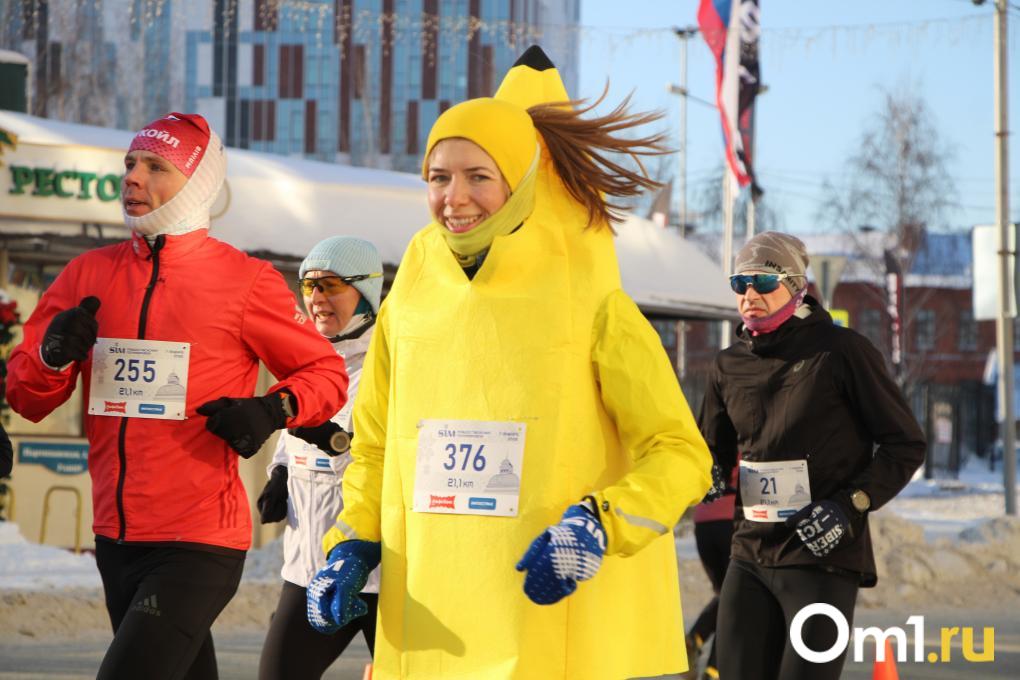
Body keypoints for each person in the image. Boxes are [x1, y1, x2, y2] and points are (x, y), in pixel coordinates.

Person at [304, 46, 714, 680]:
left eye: (478, 176)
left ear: (521, 181)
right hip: (435, 631)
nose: (454, 197)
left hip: (554, 631)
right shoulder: (410, 298)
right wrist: (352, 540)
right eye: (438, 177)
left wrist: (597, 527)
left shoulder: (593, 303)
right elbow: (378, 447)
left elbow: (679, 452)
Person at [5, 112, 348, 680]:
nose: (133, 178)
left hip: (198, 541)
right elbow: (26, 396)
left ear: (198, 184)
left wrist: (272, 409)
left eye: (155, 167)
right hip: (114, 537)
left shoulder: (245, 280)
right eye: (130, 164)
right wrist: (51, 355)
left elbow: (325, 373)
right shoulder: (86, 274)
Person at [702, 231, 926, 680]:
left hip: (821, 556)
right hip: (750, 553)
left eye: (763, 283)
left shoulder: (841, 352)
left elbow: (906, 443)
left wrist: (850, 505)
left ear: (796, 286)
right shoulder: (728, 365)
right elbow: (709, 451)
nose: (750, 295)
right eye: (739, 284)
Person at [257, 236, 383, 680]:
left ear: (366, 293)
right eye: (308, 286)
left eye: (330, 285)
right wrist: (279, 472)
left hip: (380, 569)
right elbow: (294, 435)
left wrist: (336, 439)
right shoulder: (308, 363)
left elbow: (388, 455)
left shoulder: (388, 366)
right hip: (312, 564)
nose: (316, 299)